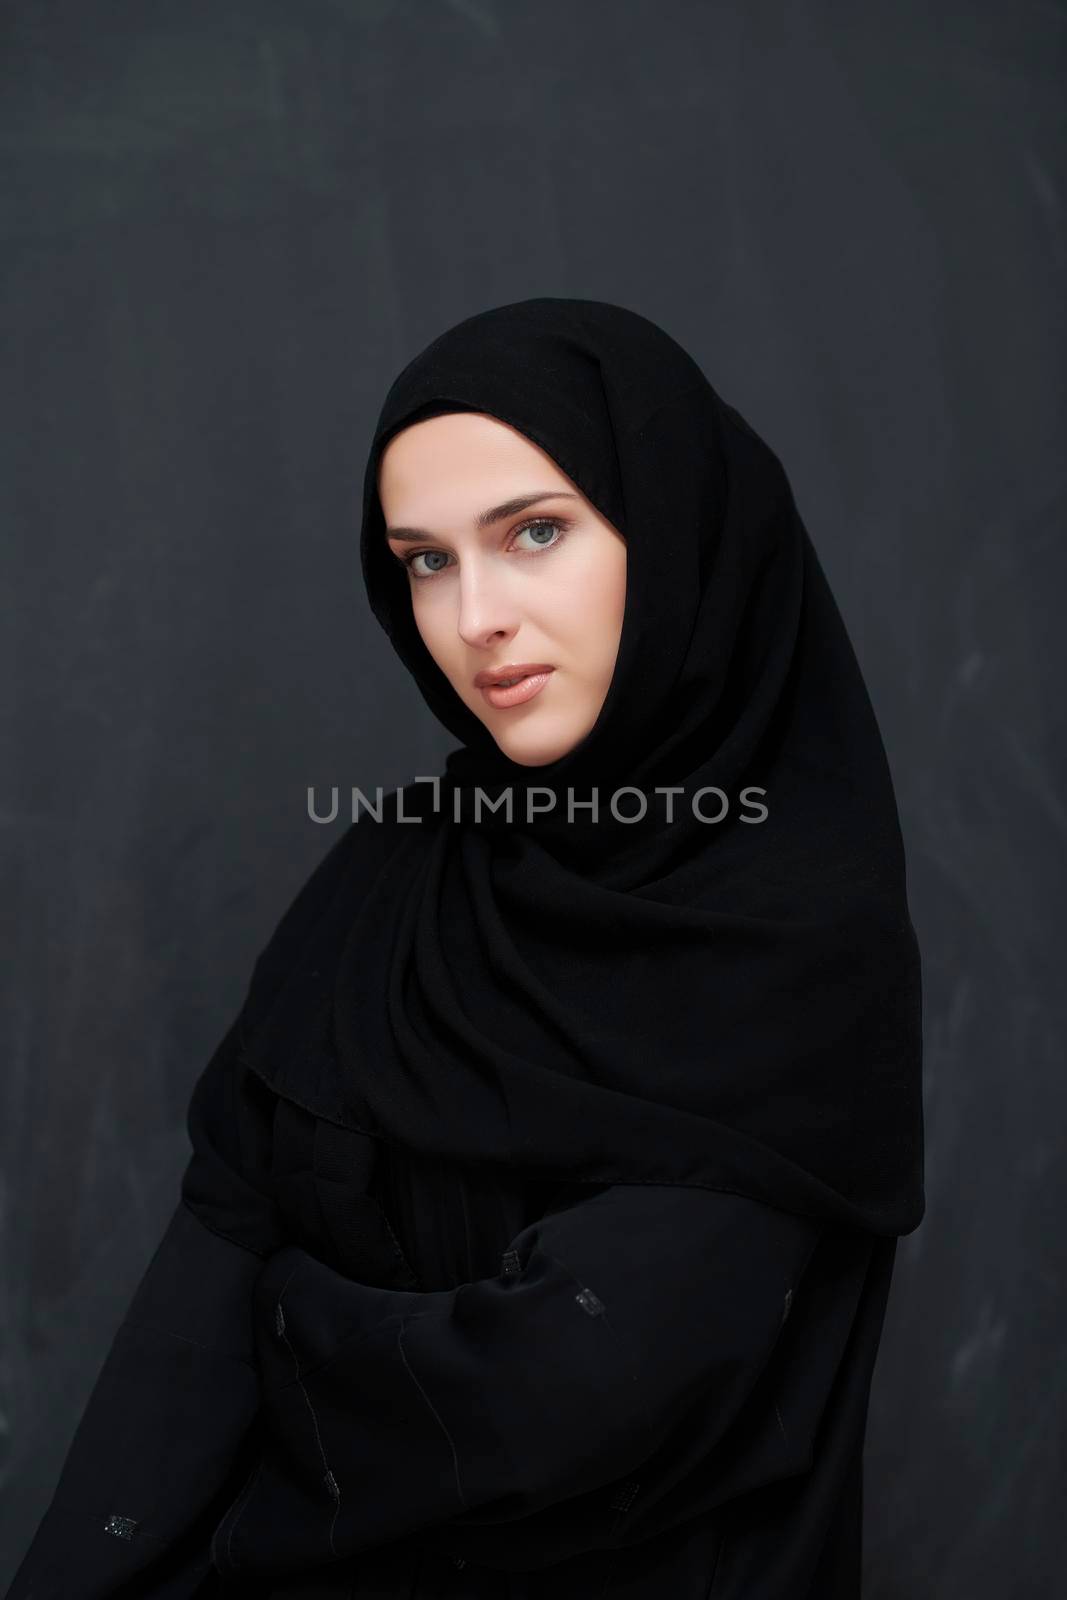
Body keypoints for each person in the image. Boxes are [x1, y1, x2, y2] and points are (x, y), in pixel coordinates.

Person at [7, 297, 925, 1599]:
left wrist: (282, 1322)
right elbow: (176, 1341)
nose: (473, 615)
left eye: (535, 534)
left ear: (675, 536)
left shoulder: (794, 936)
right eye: (425, 559)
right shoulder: (394, 876)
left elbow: (562, 1397)